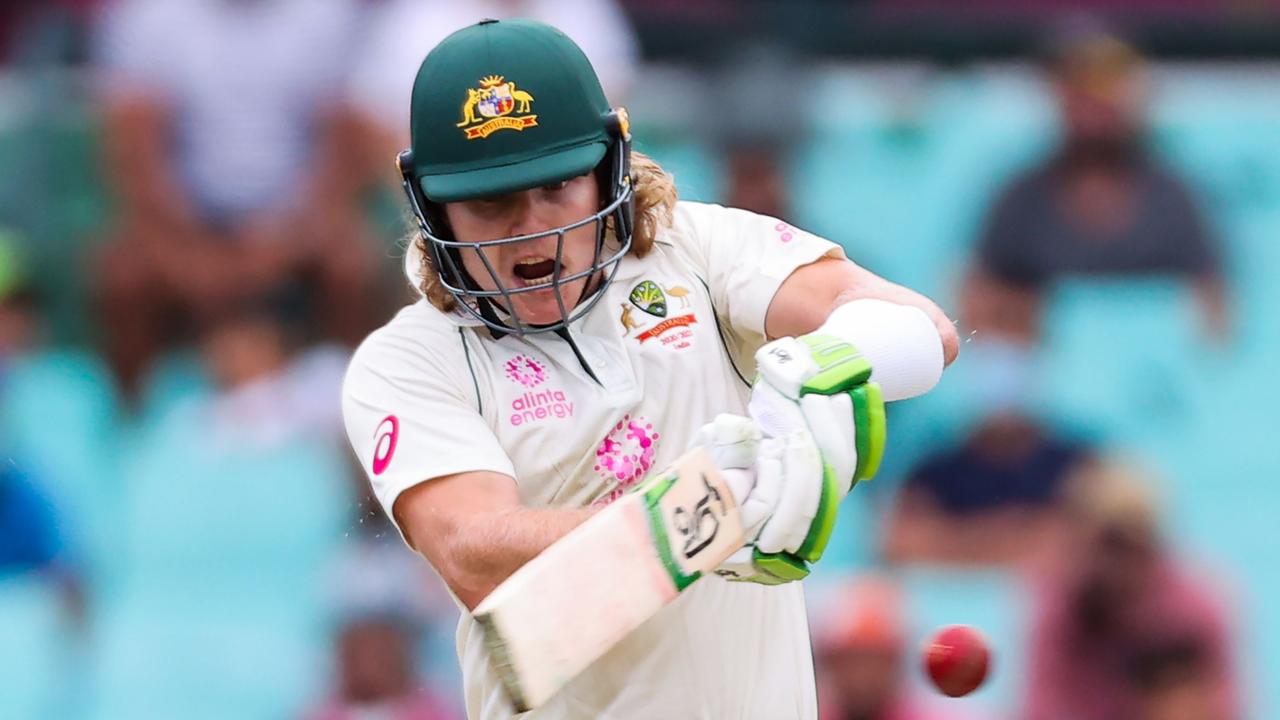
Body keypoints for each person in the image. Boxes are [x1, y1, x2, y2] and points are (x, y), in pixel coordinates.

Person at [341, 19, 958, 719]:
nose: (530, 227)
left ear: (610, 167)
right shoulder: (406, 360)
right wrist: (704, 512)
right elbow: (472, 551)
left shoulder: (697, 251)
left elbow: (926, 330)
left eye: (557, 187)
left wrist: (812, 373)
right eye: (491, 201)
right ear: (433, 208)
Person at [92, 0, 390, 400]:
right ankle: (132, 424)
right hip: (187, 225)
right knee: (123, 279)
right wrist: (188, 252)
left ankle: (365, 416)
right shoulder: (148, 16)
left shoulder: (327, 15)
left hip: (296, 226)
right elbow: (135, 156)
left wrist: (281, 243)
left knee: (352, 268)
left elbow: (340, 157)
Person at [962, 26, 1227, 345]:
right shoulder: (1020, 199)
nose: (1090, 99)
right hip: (1044, 387)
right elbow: (975, 306)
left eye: (1103, 82)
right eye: (1077, 82)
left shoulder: (1174, 200)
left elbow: (1216, 313)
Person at [1023, 461, 1240, 720]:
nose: (1115, 563)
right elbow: (1040, 706)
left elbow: (1226, 704)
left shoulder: (1194, 607)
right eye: (1107, 544)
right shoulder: (1062, 603)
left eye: (1128, 544)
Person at [883, 411, 1093, 566]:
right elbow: (901, 544)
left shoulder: (1076, 460)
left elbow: (1080, 545)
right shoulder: (931, 457)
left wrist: (952, 540)